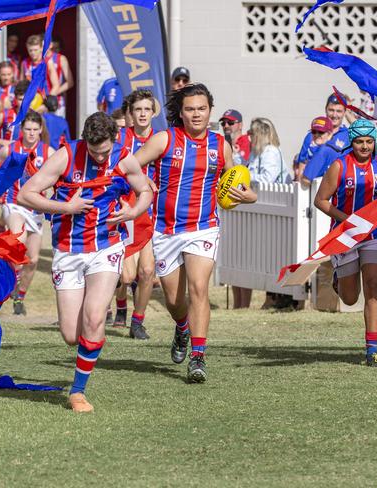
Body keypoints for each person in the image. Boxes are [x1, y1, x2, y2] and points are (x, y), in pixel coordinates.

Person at [17, 112, 153, 412]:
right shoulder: (66, 156)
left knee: (93, 317)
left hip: (106, 247)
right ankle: (89, 345)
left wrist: (132, 213)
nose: (100, 157)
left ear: (113, 142)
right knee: (70, 334)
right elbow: (26, 193)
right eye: (94, 152)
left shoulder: (125, 158)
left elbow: (145, 192)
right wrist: (66, 207)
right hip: (68, 249)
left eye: (105, 151)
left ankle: (78, 392)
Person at [131, 83, 257, 382]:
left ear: (210, 111)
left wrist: (247, 196)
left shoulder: (220, 145)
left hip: (203, 227)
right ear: (181, 112)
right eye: (190, 109)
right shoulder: (165, 139)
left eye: (202, 108)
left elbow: (236, 182)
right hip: (166, 230)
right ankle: (182, 328)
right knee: (175, 300)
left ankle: (198, 357)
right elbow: (129, 166)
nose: (196, 114)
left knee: (199, 288)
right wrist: (143, 184)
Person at [313, 119, 377, 367]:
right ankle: (339, 279)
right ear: (352, 142)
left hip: (373, 234)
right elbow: (321, 200)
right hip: (346, 235)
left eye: (369, 141)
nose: (365, 146)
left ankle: (373, 351)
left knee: (373, 284)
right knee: (350, 298)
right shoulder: (340, 166)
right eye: (360, 142)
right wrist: (349, 220)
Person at [0, 111, 54, 315]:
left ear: (40, 130)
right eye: (28, 129)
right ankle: (3, 286)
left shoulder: (48, 152)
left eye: (35, 130)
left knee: (32, 260)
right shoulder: (11, 148)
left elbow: (58, 176)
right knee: (19, 240)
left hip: (36, 209)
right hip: (13, 203)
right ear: (21, 130)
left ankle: (19, 296)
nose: (31, 133)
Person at [112, 89, 158, 339]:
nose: (142, 114)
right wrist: (141, 180)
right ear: (130, 113)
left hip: (151, 211)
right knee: (128, 275)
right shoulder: (120, 138)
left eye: (146, 109)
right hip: (126, 207)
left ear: (153, 113)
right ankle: (116, 303)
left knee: (148, 271)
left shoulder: (160, 138)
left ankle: (137, 322)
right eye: (138, 109)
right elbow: (112, 169)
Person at [234, 117, 289, 309]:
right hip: (263, 206)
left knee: (274, 255)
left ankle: (276, 297)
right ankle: (270, 297)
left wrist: (244, 177)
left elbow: (268, 178)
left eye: (251, 133)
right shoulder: (257, 153)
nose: (249, 137)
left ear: (260, 134)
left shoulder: (271, 152)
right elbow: (245, 169)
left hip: (277, 204)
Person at [296, 93, 350, 179]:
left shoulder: (348, 136)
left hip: (338, 187)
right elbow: (302, 164)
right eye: (331, 110)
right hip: (312, 186)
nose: (334, 115)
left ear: (345, 112)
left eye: (339, 111)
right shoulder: (312, 135)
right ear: (325, 110)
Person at [46, 36, 74, 118]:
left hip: (57, 100)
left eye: (57, 48)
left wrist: (51, 95)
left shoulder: (61, 58)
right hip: (40, 100)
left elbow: (70, 82)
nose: (54, 50)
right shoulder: (38, 59)